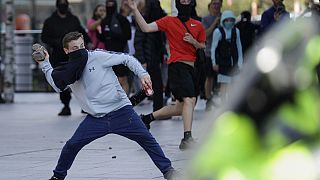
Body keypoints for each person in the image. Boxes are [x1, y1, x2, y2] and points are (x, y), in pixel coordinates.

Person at [33, 32, 179, 180]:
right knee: (71, 145)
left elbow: (127, 59)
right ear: (67, 51)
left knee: (147, 140)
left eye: (82, 46)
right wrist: (45, 62)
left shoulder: (97, 57)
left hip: (122, 112)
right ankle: (58, 176)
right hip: (96, 119)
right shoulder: (69, 71)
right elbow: (57, 84)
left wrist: (143, 74)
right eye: (75, 48)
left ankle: (168, 171)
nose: (80, 50)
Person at [128, 0, 206, 150]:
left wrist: (194, 42)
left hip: (193, 69)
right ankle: (187, 138)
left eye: (187, 0)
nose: (184, 2)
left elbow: (203, 45)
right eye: (181, 0)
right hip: (177, 67)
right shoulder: (168, 21)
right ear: (177, 3)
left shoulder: (198, 25)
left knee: (180, 107)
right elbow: (145, 28)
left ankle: (147, 118)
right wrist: (135, 10)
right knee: (190, 100)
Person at [41, 0, 91, 116]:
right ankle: (66, 105)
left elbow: (81, 31)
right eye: (61, 3)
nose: (63, 6)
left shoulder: (73, 19)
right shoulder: (50, 21)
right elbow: (44, 37)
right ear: (57, 6)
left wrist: (88, 42)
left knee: (81, 80)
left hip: (76, 56)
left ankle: (85, 105)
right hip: (59, 56)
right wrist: (57, 42)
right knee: (62, 82)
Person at [133, 0, 167, 111]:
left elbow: (161, 41)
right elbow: (138, 42)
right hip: (149, 58)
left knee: (152, 85)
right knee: (155, 84)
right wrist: (142, 60)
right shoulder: (146, 21)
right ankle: (158, 109)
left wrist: (164, 54)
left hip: (155, 57)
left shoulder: (158, 22)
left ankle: (131, 103)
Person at [99, 0, 132, 95]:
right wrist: (99, 34)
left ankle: (126, 104)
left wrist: (113, 34)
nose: (109, 6)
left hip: (121, 54)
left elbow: (128, 36)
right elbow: (103, 38)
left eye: (111, 3)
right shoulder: (104, 20)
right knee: (111, 81)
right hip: (109, 55)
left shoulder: (122, 19)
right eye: (108, 4)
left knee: (122, 79)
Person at [210, 10, 243, 103]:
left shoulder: (236, 31)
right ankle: (224, 104)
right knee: (224, 84)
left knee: (233, 84)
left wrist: (240, 63)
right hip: (223, 62)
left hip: (234, 61)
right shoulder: (218, 31)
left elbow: (239, 47)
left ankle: (232, 103)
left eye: (231, 20)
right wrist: (214, 62)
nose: (229, 22)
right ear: (223, 21)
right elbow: (213, 48)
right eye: (227, 20)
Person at [201, 0, 222, 111]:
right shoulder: (205, 19)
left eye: (218, 4)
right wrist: (215, 23)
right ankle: (208, 99)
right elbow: (205, 34)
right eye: (214, 4)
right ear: (210, 6)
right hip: (209, 52)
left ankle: (220, 99)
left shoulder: (225, 17)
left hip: (222, 53)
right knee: (209, 77)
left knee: (222, 78)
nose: (216, 6)